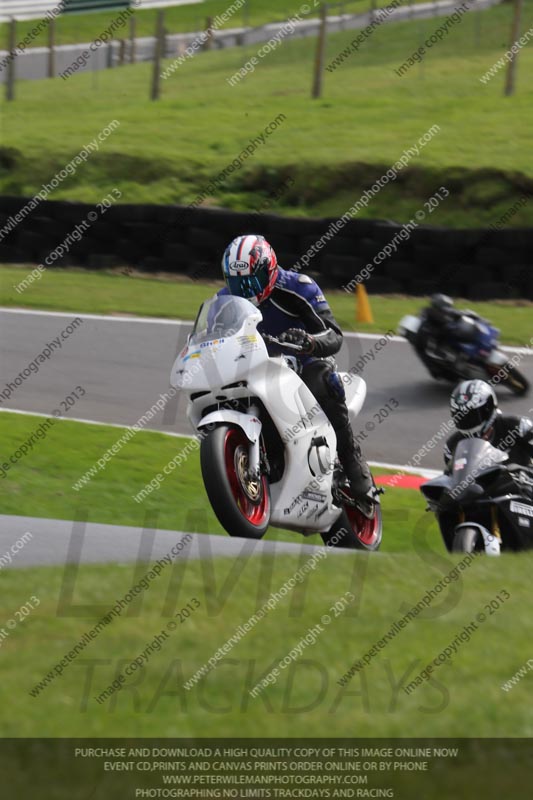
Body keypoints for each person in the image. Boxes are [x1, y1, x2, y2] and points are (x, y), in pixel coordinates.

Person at [218, 233, 376, 517]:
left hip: (303, 366)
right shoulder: (225, 300)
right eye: (236, 282)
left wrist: (310, 342)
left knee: (323, 379)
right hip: (254, 368)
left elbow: (334, 334)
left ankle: (353, 463)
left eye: (250, 281)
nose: (243, 289)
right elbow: (212, 335)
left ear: (267, 270)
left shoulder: (297, 288)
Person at [445, 379, 533, 472]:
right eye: (461, 417)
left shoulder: (518, 427)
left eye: (472, 416)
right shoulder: (452, 447)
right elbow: (452, 480)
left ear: (489, 407)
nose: (467, 422)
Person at [415, 294, 484, 376]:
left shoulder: (440, 311)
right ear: (439, 304)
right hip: (434, 340)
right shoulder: (430, 312)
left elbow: (453, 313)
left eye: (449, 305)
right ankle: (455, 370)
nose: (448, 307)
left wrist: (467, 314)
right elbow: (443, 322)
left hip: (442, 335)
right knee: (446, 357)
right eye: (446, 305)